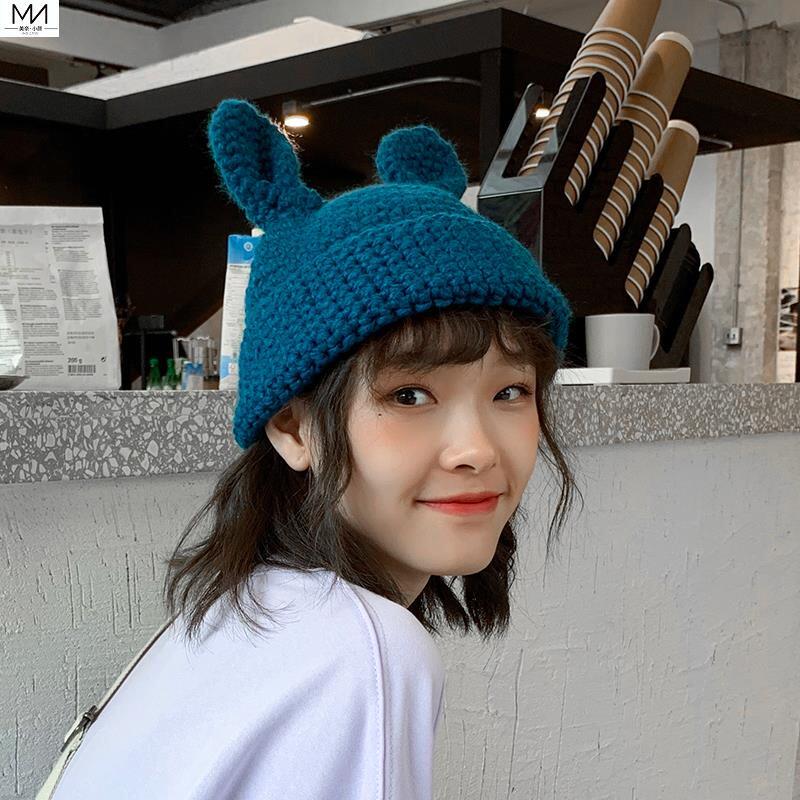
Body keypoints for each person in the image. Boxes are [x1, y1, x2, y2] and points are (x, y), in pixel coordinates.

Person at [47, 98, 581, 800]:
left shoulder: (244, 606)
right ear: (294, 428)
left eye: (510, 391)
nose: (476, 450)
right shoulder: (364, 654)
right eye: (409, 395)